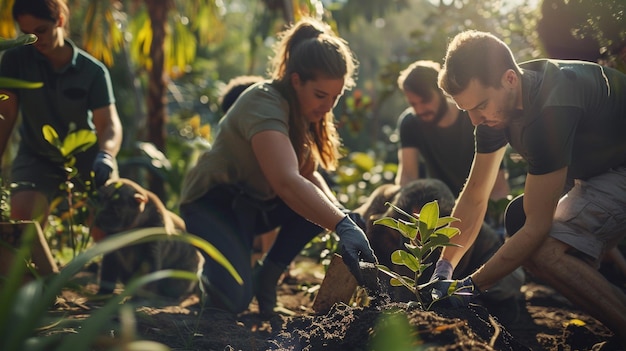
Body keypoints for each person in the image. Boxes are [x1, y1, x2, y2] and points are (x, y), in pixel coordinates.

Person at [430, 30, 626, 344]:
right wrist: (444, 267)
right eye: (466, 110)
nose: (475, 120)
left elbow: (537, 228)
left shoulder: (552, 108)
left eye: (479, 106)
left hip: (619, 168)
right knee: (517, 221)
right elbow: (475, 195)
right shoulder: (498, 109)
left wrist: (470, 287)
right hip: (601, 171)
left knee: (542, 248)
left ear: (509, 79)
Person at [179, 18, 377, 314]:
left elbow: (308, 177)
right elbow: (287, 181)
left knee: (324, 205)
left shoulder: (305, 110)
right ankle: (210, 280)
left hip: (251, 208)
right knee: (234, 300)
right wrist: (341, 224)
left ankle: (266, 279)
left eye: (335, 97)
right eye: (321, 95)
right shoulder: (264, 102)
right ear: (296, 80)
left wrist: (343, 215)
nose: (328, 107)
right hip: (211, 206)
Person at [0, 0, 122, 230]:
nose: (34, 40)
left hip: (87, 158)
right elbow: (5, 115)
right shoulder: (15, 60)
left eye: (40, 31)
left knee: (108, 219)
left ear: (60, 21)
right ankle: (39, 267)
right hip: (36, 155)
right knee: (23, 219)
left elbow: (109, 124)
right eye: (26, 33)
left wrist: (106, 155)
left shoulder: (93, 72)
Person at [395, 59, 510, 201]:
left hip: (481, 204)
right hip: (440, 208)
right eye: (413, 104)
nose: (420, 110)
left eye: (425, 101)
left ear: (441, 91)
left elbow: (497, 182)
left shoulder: (475, 118)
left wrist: (498, 214)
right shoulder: (410, 123)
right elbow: (408, 175)